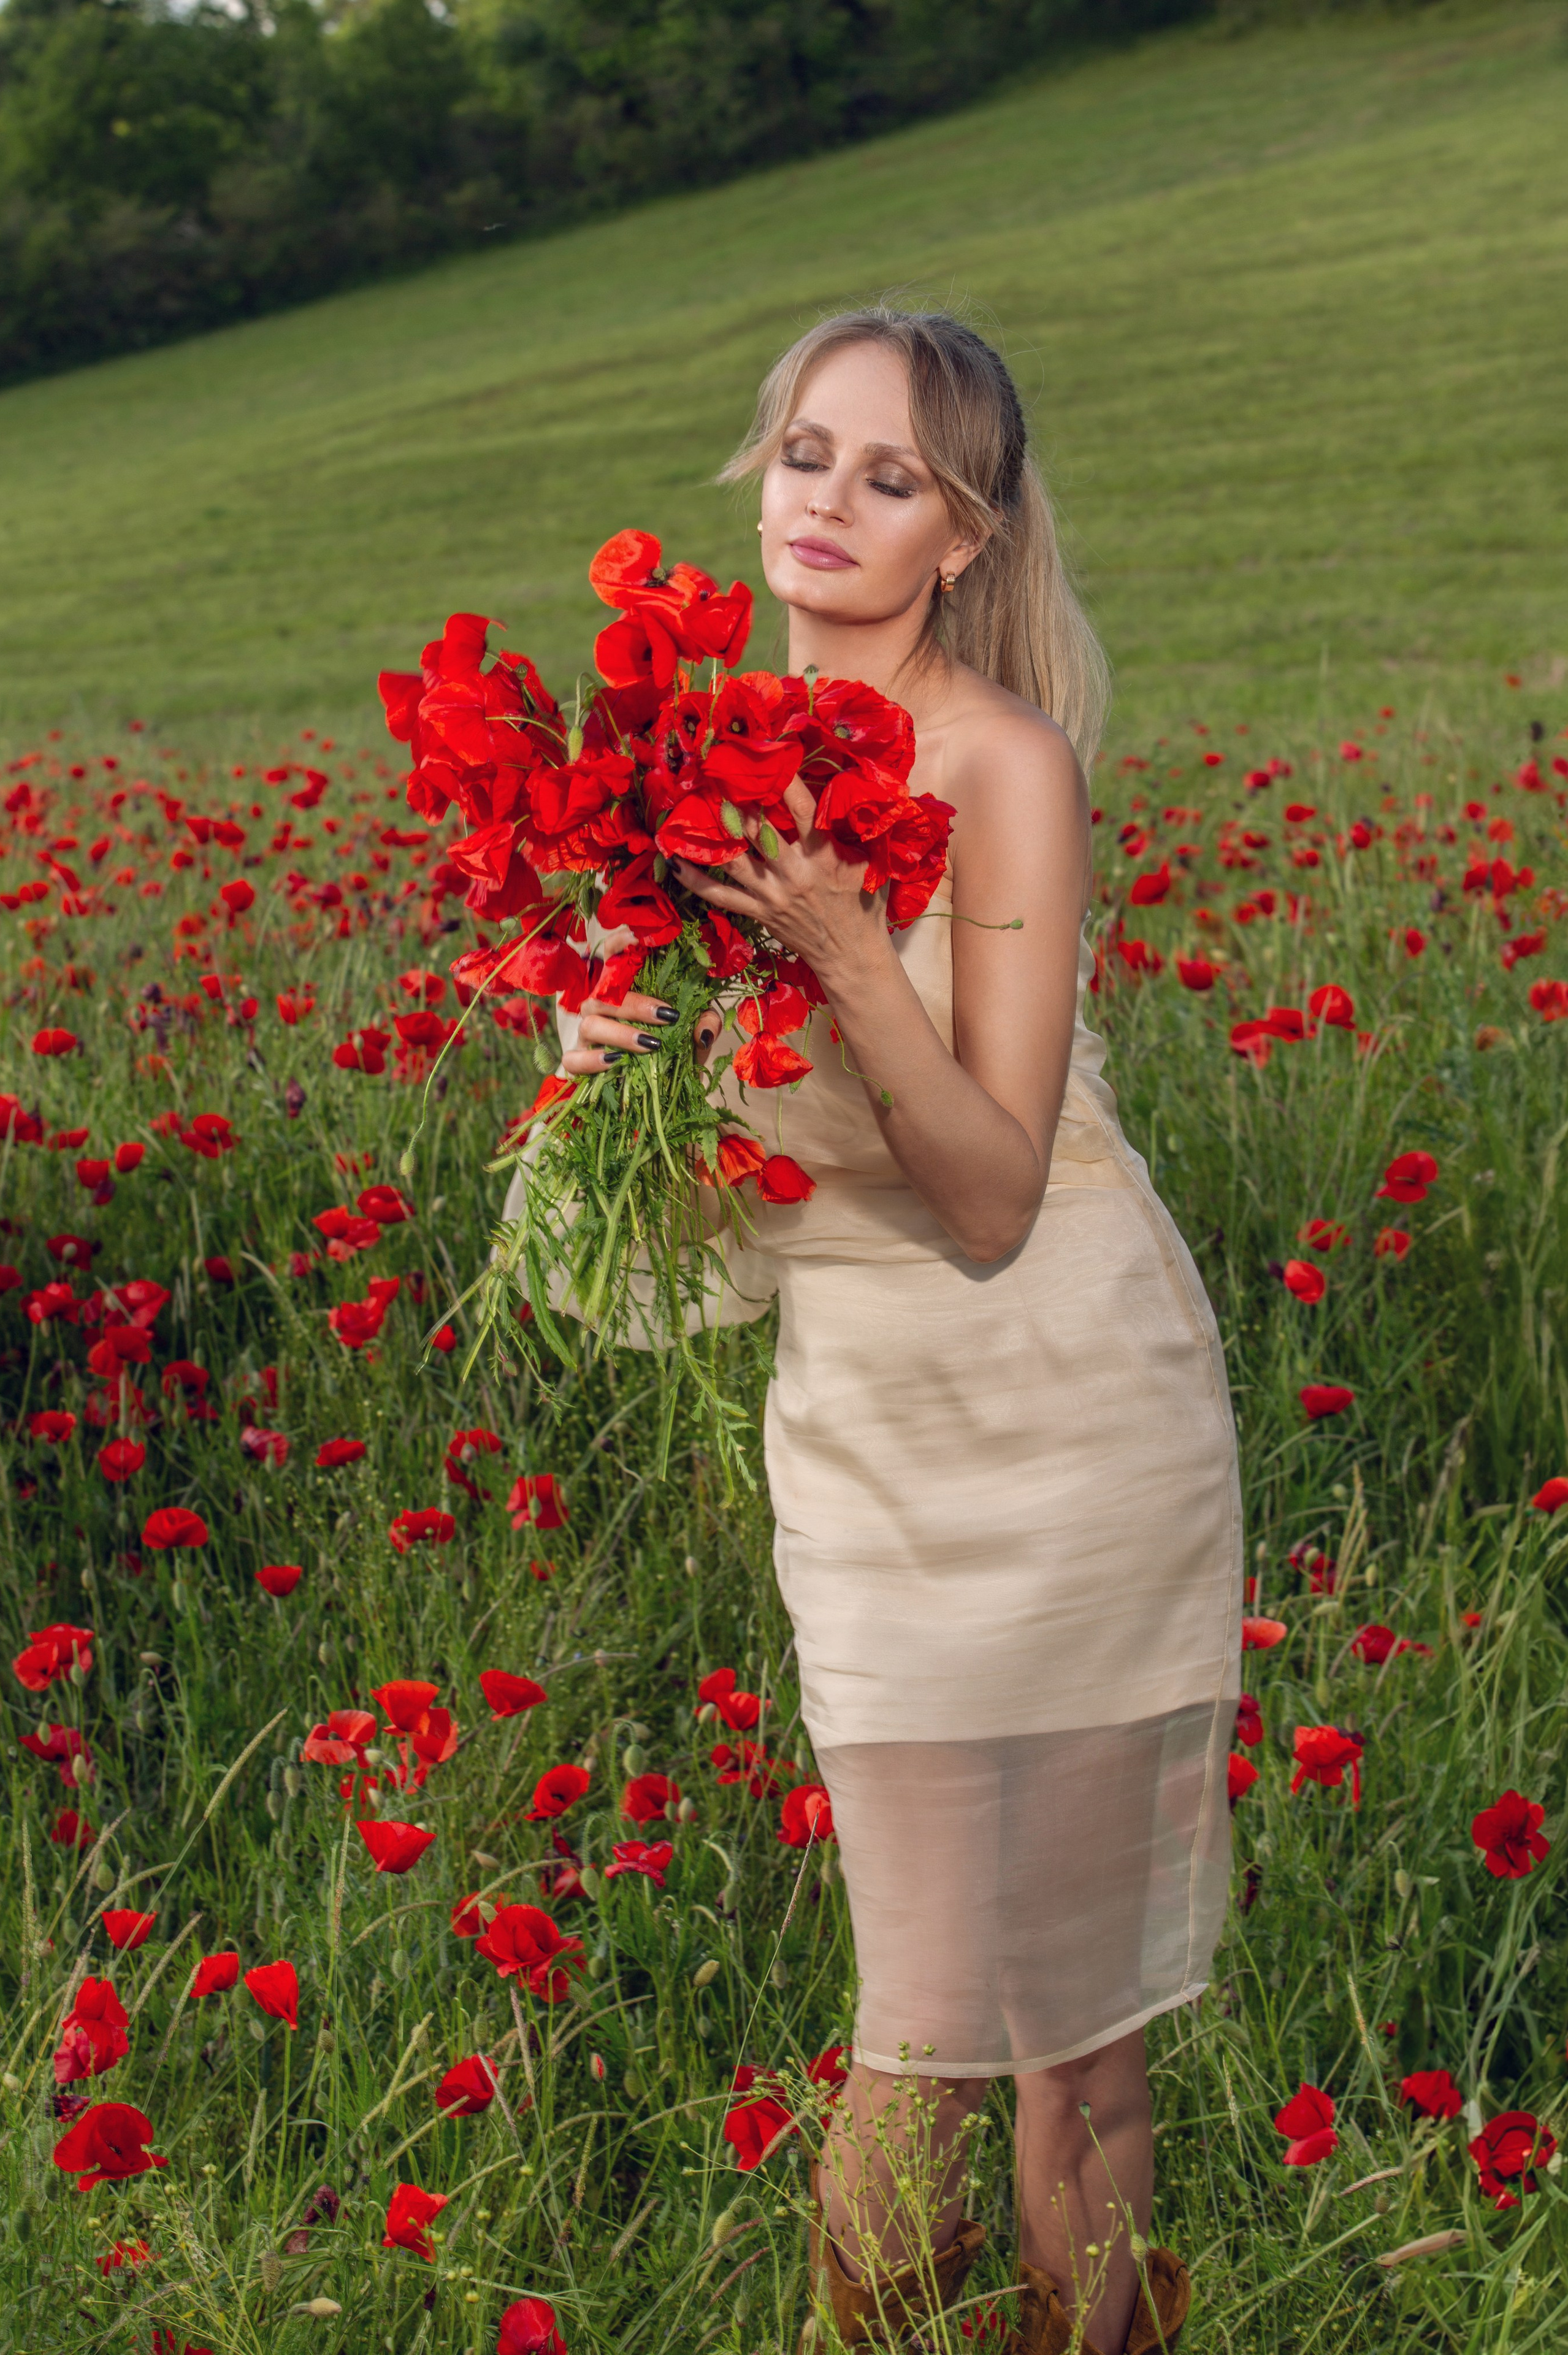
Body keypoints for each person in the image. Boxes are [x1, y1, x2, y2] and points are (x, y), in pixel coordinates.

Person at [555, 308, 1241, 2355]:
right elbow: (701, 1187)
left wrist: (850, 946)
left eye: (893, 476)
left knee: (1070, 2050)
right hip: (866, 1444)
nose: (829, 503)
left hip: (1071, 1418)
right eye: (804, 456)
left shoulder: (1003, 765)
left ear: (968, 537)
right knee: (918, 2025)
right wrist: (596, 1055)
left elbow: (993, 1193)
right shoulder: (670, 775)